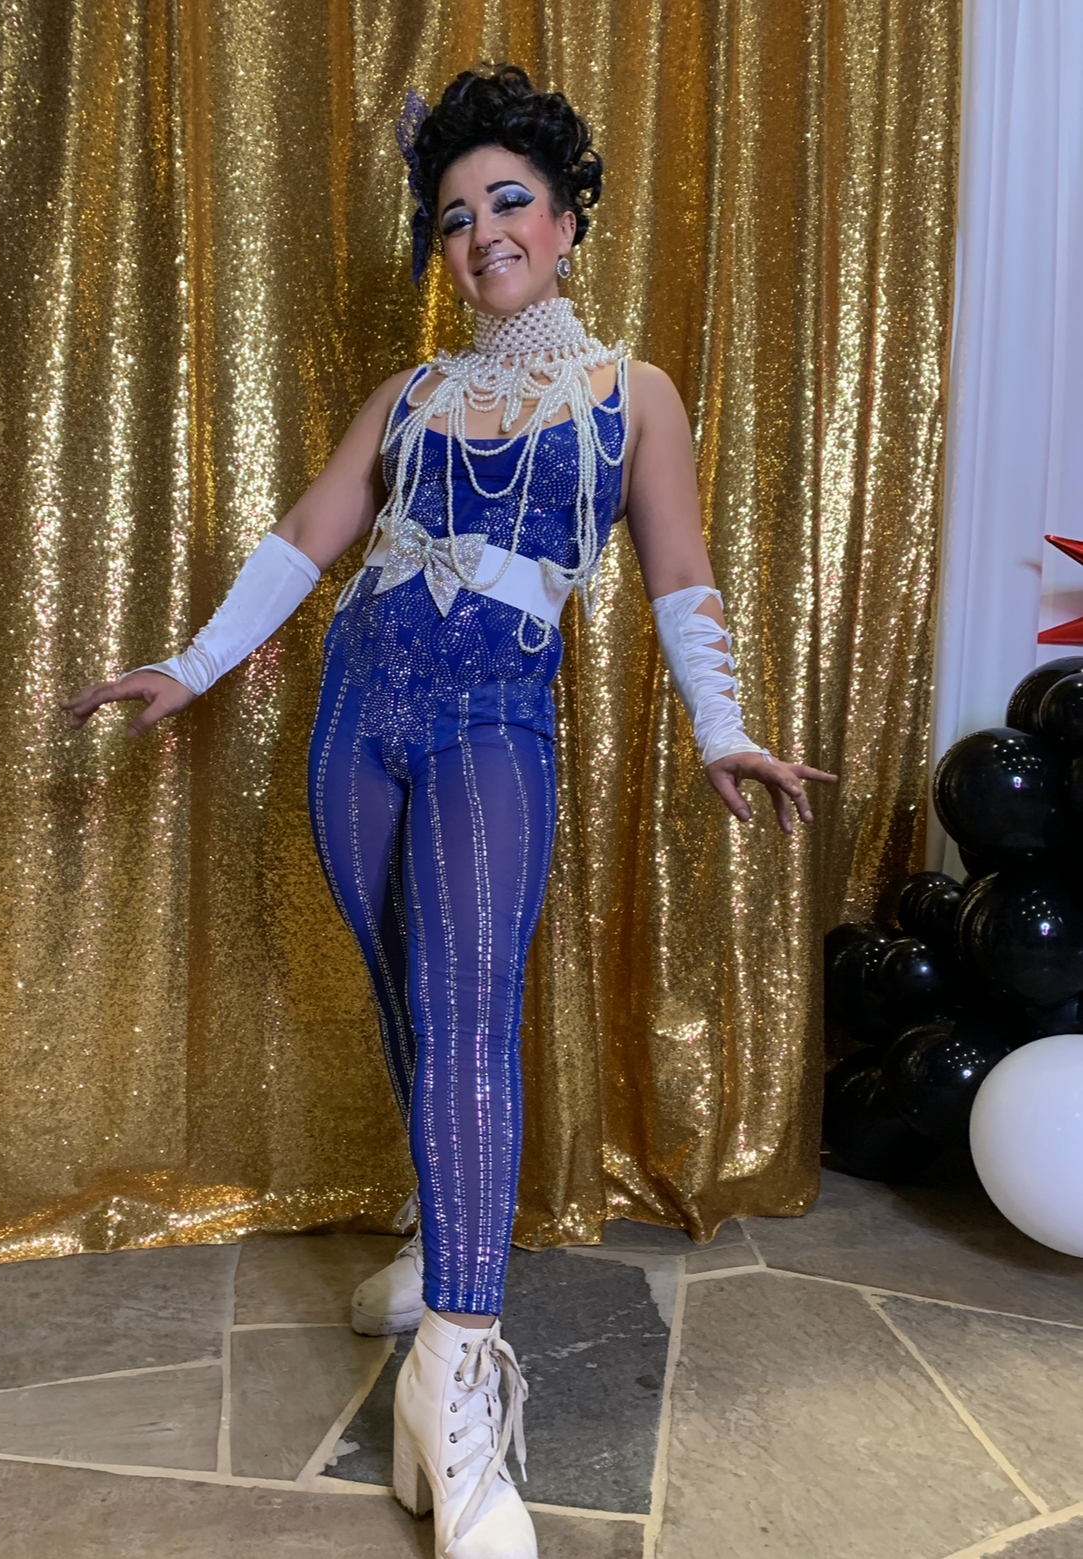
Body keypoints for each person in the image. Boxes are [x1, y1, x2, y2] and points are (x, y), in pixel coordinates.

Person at [63, 63, 836, 1559]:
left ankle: (459, 1386)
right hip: (360, 706)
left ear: (563, 220)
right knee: (404, 992)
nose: (480, 230)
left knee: (474, 1006)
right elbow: (308, 537)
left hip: (495, 718)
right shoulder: (409, 395)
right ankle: (441, 1241)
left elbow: (681, 578)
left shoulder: (630, 394)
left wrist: (726, 730)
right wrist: (187, 665)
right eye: (454, 212)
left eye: (509, 202)